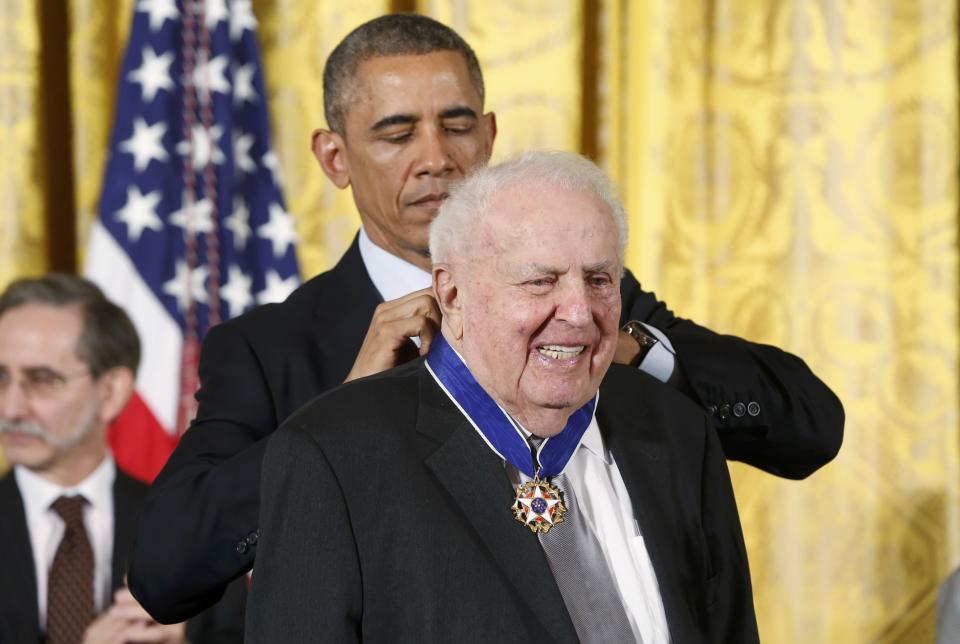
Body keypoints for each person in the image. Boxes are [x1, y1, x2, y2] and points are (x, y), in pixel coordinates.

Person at [130, 13, 843, 623]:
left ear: (491, 135)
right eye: (396, 133)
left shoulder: (590, 291)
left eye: (457, 124)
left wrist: (625, 345)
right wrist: (332, 417)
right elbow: (165, 574)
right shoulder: (272, 348)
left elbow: (808, 426)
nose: (436, 158)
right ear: (335, 157)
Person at [245, 150, 759, 642]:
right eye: (541, 281)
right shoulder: (333, 456)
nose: (580, 313)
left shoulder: (677, 430)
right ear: (452, 295)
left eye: (600, 279)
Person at [0, 275, 245, 644]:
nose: (11, 407)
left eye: (41, 379)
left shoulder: (191, 530)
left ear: (111, 392)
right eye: (0, 378)